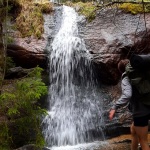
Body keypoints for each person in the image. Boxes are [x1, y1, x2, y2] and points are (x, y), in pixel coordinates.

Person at [109, 59, 150, 150]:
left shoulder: (126, 77)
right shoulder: (143, 72)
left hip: (141, 111)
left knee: (143, 141)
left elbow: (127, 95)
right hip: (148, 105)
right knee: (133, 130)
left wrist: (115, 107)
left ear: (121, 71)